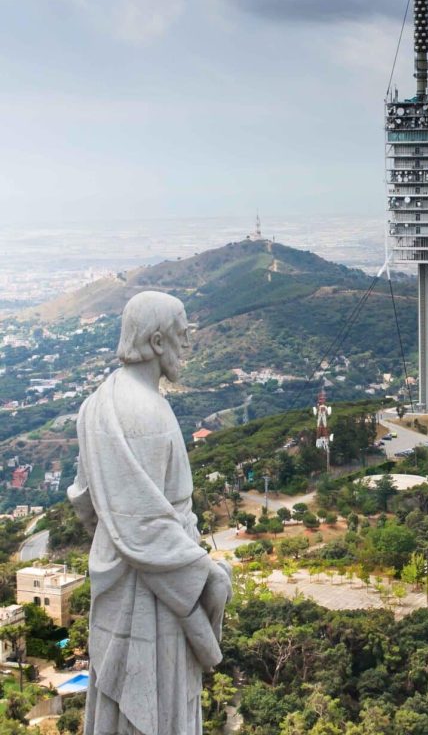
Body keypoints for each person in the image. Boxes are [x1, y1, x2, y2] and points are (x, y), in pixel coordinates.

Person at [68, 291, 232, 735]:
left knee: (117, 710)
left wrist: (116, 537)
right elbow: (149, 528)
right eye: (181, 337)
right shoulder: (154, 414)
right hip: (156, 591)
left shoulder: (95, 404)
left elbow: (86, 501)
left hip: (116, 576)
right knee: (159, 707)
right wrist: (203, 572)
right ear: (157, 341)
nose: (185, 347)